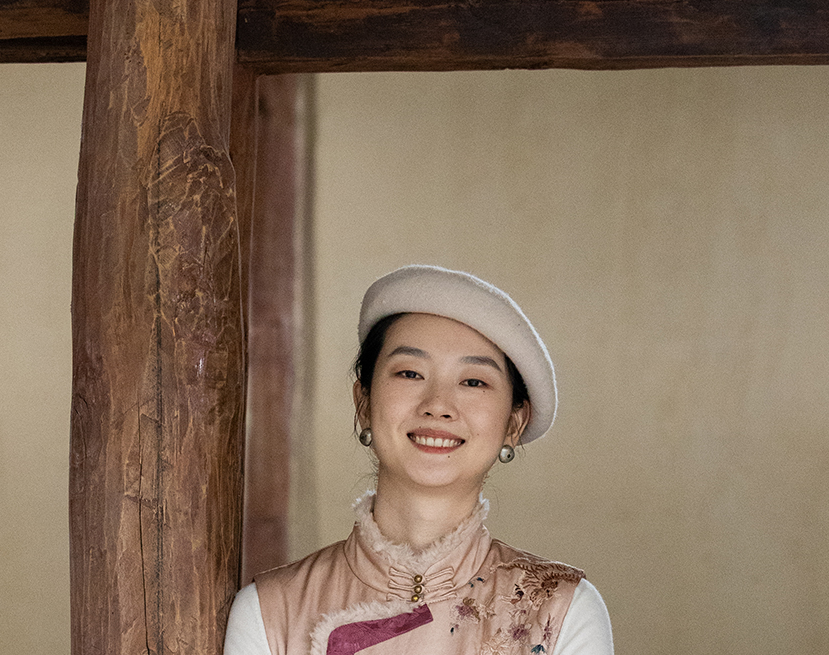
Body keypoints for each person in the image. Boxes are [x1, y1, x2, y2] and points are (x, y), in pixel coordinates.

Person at [224, 264, 613, 655]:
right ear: (363, 403)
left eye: (474, 381)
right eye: (410, 373)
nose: (438, 405)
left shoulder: (560, 612)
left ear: (514, 423)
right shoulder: (271, 611)